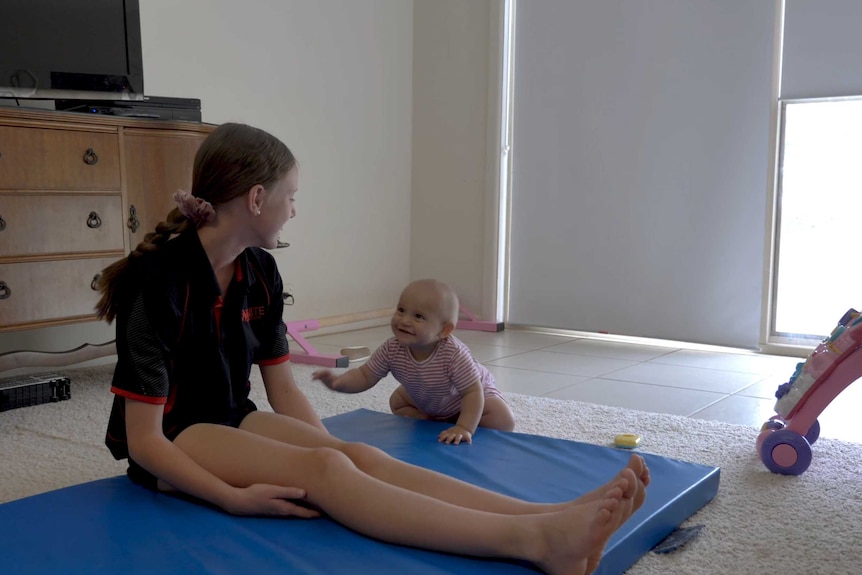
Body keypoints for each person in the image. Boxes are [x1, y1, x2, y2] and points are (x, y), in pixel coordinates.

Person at [95, 121, 650, 575]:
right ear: (258, 198)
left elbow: (282, 387)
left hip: (229, 418)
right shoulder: (159, 280)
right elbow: (144, 440)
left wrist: (336, 458)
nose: (295, 209)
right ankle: (532, 541)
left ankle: (547, 513)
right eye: (292, 197)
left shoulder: (258, 271)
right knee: (328, 474)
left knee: (353, 457)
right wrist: (231, 497)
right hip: (174, 442)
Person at [313, 279, 515, 444]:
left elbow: (472, 392)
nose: (404, 320)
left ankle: (456, 420)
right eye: (401, 310)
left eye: (418, 316)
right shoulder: (392, 348)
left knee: (503, 420)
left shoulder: (454, 354)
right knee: (397, 402)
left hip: (466, 396)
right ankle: (434, 420)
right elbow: (365, 375)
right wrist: (338, 383)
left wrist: (464, 427)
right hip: (427, 395)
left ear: (444, 330)